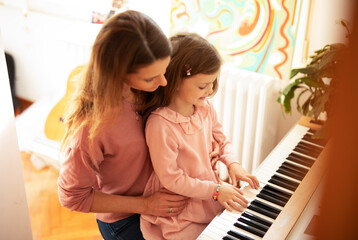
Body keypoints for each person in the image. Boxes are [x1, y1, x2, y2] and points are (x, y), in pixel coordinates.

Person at [57, 10, 190, 240]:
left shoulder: (149, 90)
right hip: (124, 220)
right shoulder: (90, 129)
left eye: (164, 71)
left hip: (159, 198)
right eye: (151, 78)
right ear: (118, 74)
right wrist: (146, 205)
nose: (164, 82)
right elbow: (71, 197)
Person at [139, 33, 260, 240]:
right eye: (203, 86)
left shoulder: (205, 108)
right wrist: (216, 190)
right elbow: (172, 179)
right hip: (178, 210)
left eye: (213, 83)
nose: (211, 90)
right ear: (175, 81)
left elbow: (222, 141)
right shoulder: (160, 124)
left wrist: (233, 164)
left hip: (207, 196)